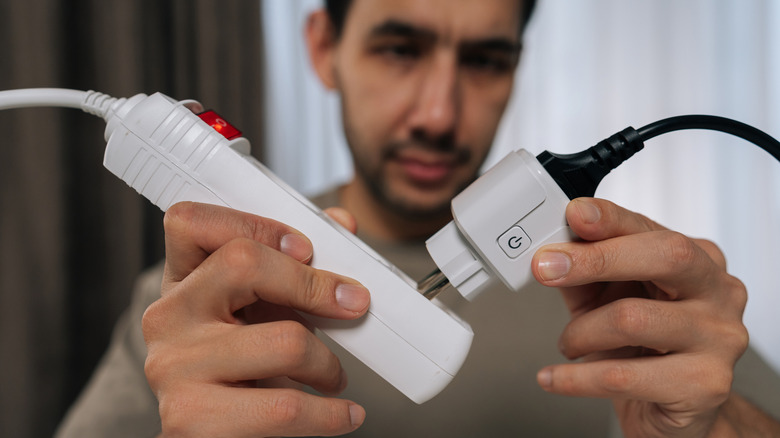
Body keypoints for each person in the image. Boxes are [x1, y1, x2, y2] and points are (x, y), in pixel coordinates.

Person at [56, 0, 780, 436]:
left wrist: (714, 427)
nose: (438, 112)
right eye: (400, 49)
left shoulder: (635, 296)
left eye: (485, 59)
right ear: (324, 48)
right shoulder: (198, 303)